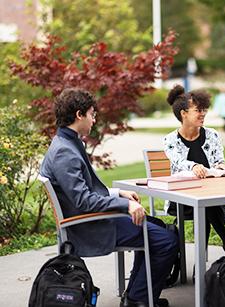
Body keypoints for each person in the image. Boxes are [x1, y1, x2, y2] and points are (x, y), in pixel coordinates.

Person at [40, 88, 178, 307]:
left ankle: (137, 296)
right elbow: (84, 201)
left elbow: (82, 191)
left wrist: (117, 193)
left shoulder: (67, 142)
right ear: (79, 115)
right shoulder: (64, 151)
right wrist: (126, 205)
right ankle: (138, 299)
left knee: (160, 228)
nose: (94, 120)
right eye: (92, 114)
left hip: (94, 218)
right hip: (89, 226)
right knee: (166, 240)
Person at [163, 84, 225, 258]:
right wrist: (194, 166)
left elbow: (218, 161)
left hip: (212, 195)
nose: (203, 114)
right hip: (183, 201)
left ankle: (200, 266)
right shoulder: (170, 140)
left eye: (204, 109)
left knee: (206, 207)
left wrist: (223, 167)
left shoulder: (213, 135)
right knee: (206, 208)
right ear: (184, 113)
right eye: (198, 110)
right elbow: (179, 161)